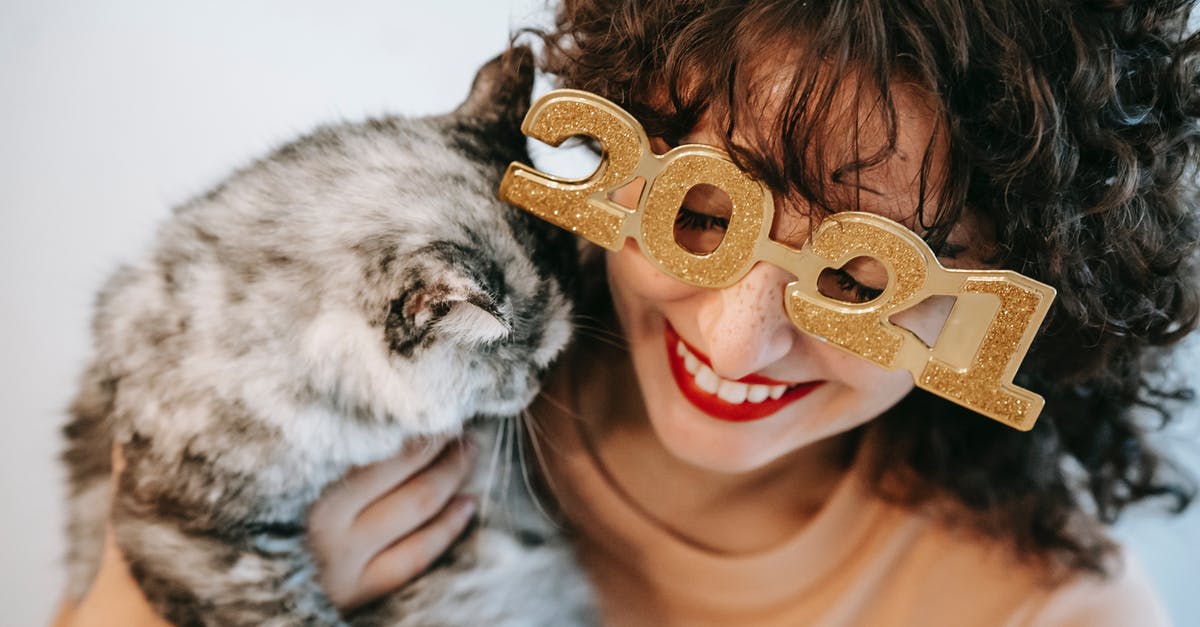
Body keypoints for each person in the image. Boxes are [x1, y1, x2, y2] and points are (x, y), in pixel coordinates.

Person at [56, 0, 1199, 625]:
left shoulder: (1052, 617)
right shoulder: (390, 351)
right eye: (707, 212)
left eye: (860, 282)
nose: (735, 338)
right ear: (625, 135)